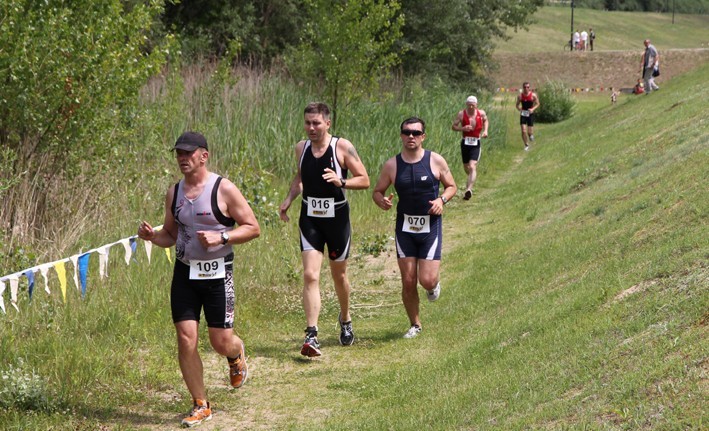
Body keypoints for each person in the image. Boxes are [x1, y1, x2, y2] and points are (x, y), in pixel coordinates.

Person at [137, 131, 261, 427]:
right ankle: (200, 403)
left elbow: (253, 227)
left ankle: (236, 354)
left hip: (218, 274)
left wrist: (223, 236)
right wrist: (153, 237)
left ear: (203, 156)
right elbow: (170, 234)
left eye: (188, 153)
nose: (182, 158)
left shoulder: (224, 189)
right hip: (185, 273)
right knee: (186, 338)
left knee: (220, 342)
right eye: (178, 153)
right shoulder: (174, 193)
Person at [279, 102, 370, 357]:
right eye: (307, 122)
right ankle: (312, 334)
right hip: (310, 219)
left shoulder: (341, 147)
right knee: (310, 275)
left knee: (339, 276)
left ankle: (346, 318)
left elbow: (364, 179)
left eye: (316, 123)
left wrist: (341, 181)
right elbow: (300, 177)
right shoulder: (301, 148)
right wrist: (289, 199)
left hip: (337, 219)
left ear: (327, 123)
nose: (311, 128)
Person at [372, 117, 457, 339]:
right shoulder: (392, 165)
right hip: (405, 227)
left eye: (416, 133)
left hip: (430, 226)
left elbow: (452, 186)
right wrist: (381, 200)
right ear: (401, 135)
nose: (411, 136)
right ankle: (415, 325)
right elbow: (377, 191)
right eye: (407, 132)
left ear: (423, 136)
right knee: (408, 281)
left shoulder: (436, 160)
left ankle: (432, 286)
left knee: (426, 280)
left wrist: (441, 201)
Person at [451, 95, 488, 200]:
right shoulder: (461, 114)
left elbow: (486, 121)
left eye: (473, 105)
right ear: (466, 105)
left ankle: (469, 189)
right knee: (467, 168)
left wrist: (485, 131)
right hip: (465, 143)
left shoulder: (481, 113)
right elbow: (453, 126)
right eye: (469, 105)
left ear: (476, 105)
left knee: (472, 166)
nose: (471, 107)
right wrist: (462, 128)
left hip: (476, 143)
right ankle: (471, 177)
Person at [515, 82, 540, 151]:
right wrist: (519, 109)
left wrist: (532, 109)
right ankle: (526, 145)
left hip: (530, 114)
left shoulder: (533, 95)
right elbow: (517, 105)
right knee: (523, 131)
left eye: (528, 87)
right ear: (523, 88)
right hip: (523, 114)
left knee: (529, 132)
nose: (526, 88)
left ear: (529, 88)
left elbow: (538, 104)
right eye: (525, 87)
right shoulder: (520, 96)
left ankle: (531, 135)